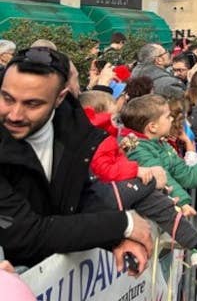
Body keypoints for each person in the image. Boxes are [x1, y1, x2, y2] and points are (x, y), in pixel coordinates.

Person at [0, 46, 154, 269]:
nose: (14, 114)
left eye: (32, 104)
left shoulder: (74, 130)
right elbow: (25, 233)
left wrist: (117, 239)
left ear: (60, 98)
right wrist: (123, 224)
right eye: (7, 98)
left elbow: (76, 198)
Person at [77, 91, 197, 268]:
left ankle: (196, 244)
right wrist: (183, 203)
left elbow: (186, 175)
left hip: (167, 223)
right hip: (155, 223)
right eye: (168, 116)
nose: (172, 119)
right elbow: (165, 180)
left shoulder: (161, 144)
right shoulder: (138, 149)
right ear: (152, 126)